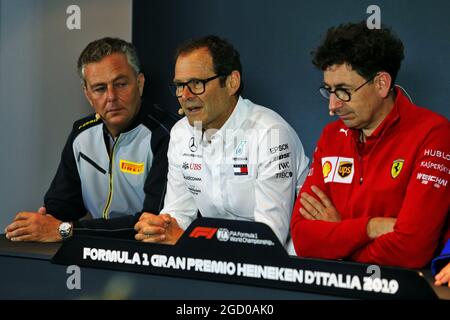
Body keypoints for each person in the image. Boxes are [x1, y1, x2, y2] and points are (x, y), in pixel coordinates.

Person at [290, 22, 450, 268]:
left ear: (381, 84)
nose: (332, 106)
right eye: (329, 90)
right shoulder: (331, 136)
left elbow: (411, 249)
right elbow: (303, 238)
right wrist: (370, 227)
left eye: (344, 91)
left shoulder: (433, 134)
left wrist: (339, 237)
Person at [134, 35, 309, 252]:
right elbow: (179, 213)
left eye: (197, 83)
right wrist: (161, 228)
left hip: (283, 270)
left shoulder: (270, 134)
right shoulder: (181, 133)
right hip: (214, 262)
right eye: (180, 85)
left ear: (232, 83)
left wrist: (189, 241)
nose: (185, 95)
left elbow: (269, 238)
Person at [5, 37, 175, 242]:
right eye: (100, 88)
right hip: (93, 249)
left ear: (139, 84)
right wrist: (43, 223)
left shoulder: (168, 135)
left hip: (147, 254)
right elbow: (61, 206)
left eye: (121, 84)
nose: (111, 97)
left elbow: (151, 225)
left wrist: (64, 230)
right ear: (87, 95)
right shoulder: (81, 134)